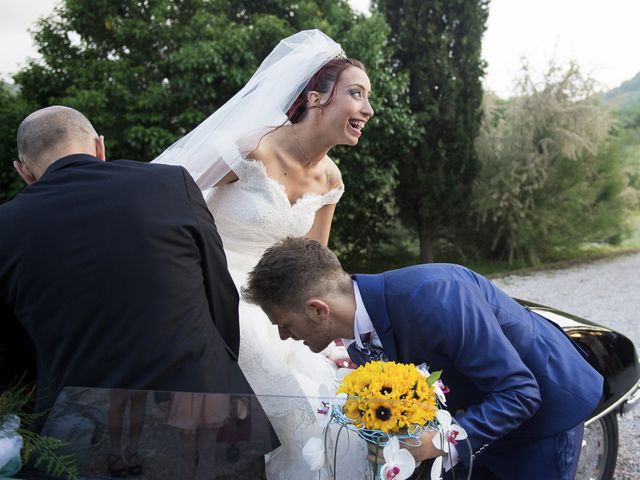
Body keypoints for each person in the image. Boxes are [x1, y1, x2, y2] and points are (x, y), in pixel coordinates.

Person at [153, 29, 374, 477]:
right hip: (217, 289)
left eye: (368, 98)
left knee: (328, 407)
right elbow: (163, 202)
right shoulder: (251, 148)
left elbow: (318, 263)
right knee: (291, 410)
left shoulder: (331, 180)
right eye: (356, 94)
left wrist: (342, 321)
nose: (368, 110)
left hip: (278, 301)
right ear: (315, 98)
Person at [0, 106, 253, 475]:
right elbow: (220, 294)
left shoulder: (5, 226)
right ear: (100, 147)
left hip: (78, 433)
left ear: (24, 171)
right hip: (203, 412)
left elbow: (11, 350)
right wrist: (216, 372)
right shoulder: (172, 185)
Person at [242, 237, 605, 480]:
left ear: (318, 309)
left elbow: (521, 392)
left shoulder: (435, 298)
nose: (283, 337)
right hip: (480, 416)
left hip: (544, 413)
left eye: (285, 324)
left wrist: (438, 442)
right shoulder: (360, 334)